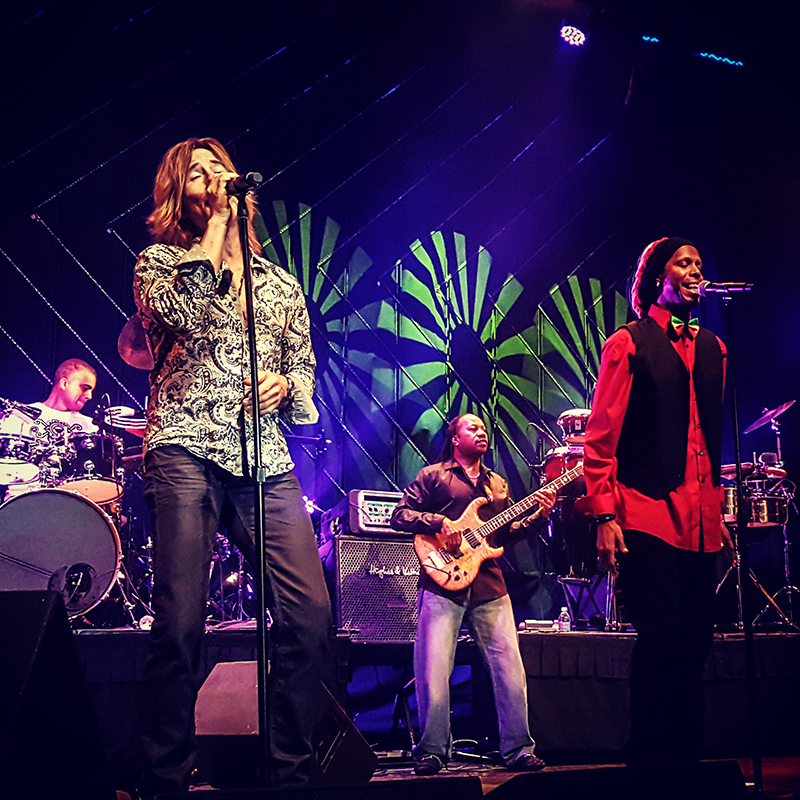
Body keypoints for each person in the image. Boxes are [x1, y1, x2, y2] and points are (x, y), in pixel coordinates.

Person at [133, 137, 331, 793]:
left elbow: (303, 371)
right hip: (185, 446)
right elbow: (182, 317)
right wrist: (216, 230)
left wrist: (286, 387)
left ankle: (290, 774)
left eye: (221, 168)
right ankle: (164, 778)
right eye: (198, 173)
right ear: (178, 193)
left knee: (307, 617)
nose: (215, 178)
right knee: (181, 623)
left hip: (264, 458)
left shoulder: (279, 284)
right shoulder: (160, 262)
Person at [576, 237, 732, 765]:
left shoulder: (715, 347)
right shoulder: (629, 342)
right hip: (645, 512)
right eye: (684, 262)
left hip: (701, 517)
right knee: (661, 639)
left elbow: (707, 438)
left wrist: (719, 511)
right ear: (655, 277)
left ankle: (687, 761)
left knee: (696, 646)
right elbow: (601, 437)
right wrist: (604, 515)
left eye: (699, 264)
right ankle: (647, 761)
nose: (695, 270)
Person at [391, 413, 556, 776]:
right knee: (433, 668)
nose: (481, 432)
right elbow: (399, 516)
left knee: (510, 668)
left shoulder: (496, 484)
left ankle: (519, 749)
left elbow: (505, 534)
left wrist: (540, 516)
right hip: (443, 580)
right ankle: (432, 750)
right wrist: (441, 523)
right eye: (472, 428)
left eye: (484, 428)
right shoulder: (433, 476)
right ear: (455, 438)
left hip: (489, 585)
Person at [0, 358, 98, 498]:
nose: (89, 396)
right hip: (18, 504)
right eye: (85, 388)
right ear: (64, 383)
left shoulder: (90, 428)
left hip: (68, 507)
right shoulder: (19, 416)